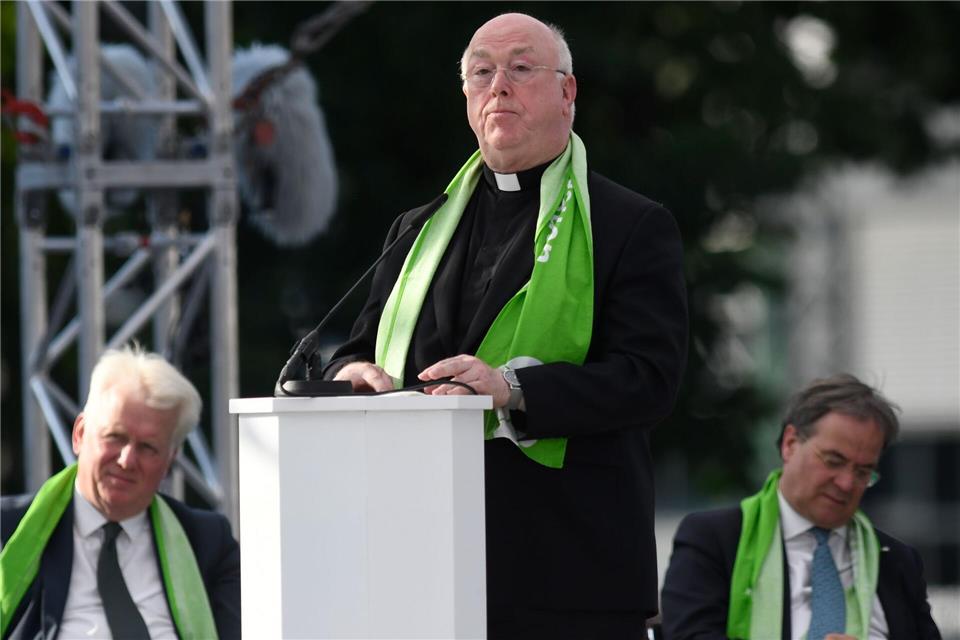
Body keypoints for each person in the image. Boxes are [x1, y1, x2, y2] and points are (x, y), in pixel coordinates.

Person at [323, 12, 688, 638]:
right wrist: (350, 372)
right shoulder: (417, 230)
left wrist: (513, 389)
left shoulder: (628, 223)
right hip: (418, 562)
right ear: (466, 96)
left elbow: (649, 379)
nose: (499, 86)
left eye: (521, 69)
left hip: (567, 570)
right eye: (481, 72)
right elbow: (356, 352)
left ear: (567, 92)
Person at [660, 374, 941, 640]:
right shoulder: (715, 540)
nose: (846, 483)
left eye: (863, 472)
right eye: (833, 461)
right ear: (790, 444)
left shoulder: (896, 561)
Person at [1, 346, 241, 640]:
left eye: (148, 447)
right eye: (115, 437)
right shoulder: (8, 532)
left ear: (170, 461)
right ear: (79, 434)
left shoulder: (207, 543)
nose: (127, 460)